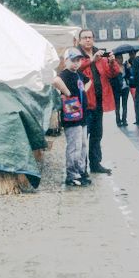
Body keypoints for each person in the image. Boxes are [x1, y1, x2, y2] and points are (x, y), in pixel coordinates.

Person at [77, 29, 122, 174]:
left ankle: (95, 164)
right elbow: (75, 69)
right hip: (84, 103)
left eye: (90, 37)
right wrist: (92, 60)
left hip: (99, 102)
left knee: (97, 135)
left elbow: (113, 73)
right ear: (80, 40)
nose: (88, 40)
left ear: (94, 39)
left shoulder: (101, 56)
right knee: (83, 137)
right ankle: (81, 167)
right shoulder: (76, 55)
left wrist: (112, 61)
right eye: (85, 38)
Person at [54, 48, 91, 187]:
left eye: (78, 60)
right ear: (66, 61)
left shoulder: (79, 74)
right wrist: (67, 92)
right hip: (72, 111)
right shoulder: (65, 74)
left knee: (82, 144)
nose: (76, 63)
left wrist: (84, 91)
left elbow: (89, 81)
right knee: (74, 145)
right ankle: (72, 174)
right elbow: (56, 80)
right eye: (73, 60)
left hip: (82, 113)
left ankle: (81, 171)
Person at [112, 53, 131, 127]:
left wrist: (129, 68)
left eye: (121, 58)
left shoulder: (125, 66)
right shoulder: (114, 67)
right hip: (117, 88)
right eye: (119, 58)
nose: (121, 59)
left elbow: (129, 75)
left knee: (124, 105)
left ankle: (124, 120)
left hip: (125, 87)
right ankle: (118, 121)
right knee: (117, 105)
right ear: (116, 59)